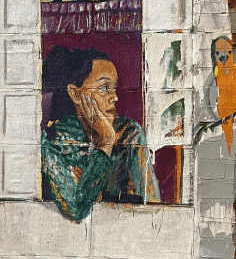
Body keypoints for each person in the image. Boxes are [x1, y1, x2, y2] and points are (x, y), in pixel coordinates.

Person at [41, 45, 159, 222]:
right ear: (75, 93)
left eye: (114, 88)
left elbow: (152, 205)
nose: (115, 97)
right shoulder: (54, 138)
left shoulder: (130, 132)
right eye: (104, 88)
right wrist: (106, 142)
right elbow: (76, 210)